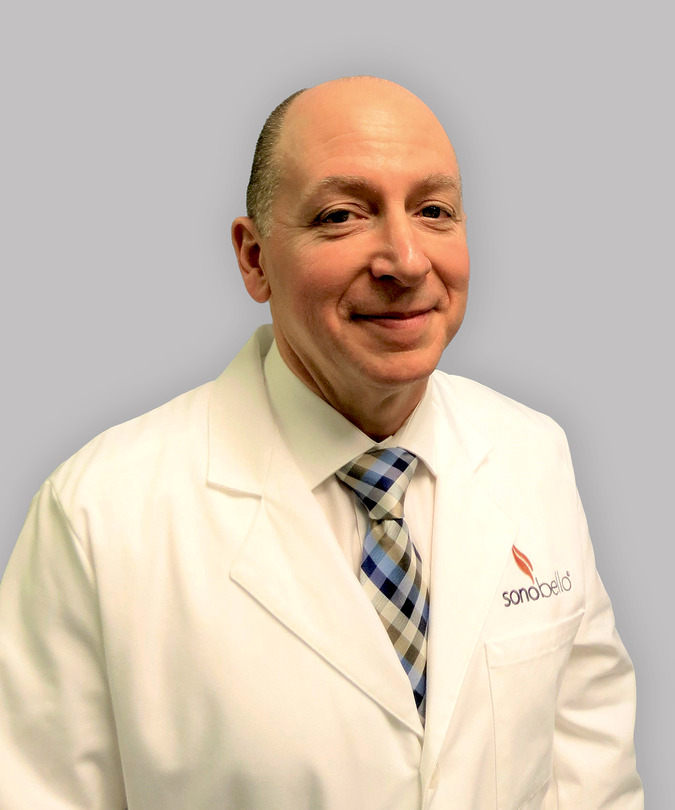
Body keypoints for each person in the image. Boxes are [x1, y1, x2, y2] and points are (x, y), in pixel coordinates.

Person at [0, 76, 643, 809]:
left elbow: (591, 766)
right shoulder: (97, 512)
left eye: (434, 211)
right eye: (342, 216)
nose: (404, 260)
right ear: (253, 259)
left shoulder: (533, 454)